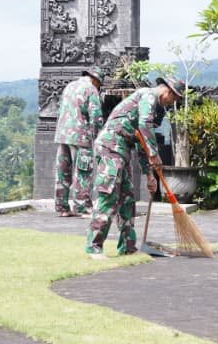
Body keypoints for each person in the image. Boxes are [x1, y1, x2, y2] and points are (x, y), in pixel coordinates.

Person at [85, 76, 184, 258]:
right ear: (167, 91)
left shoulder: (155, 109)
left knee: (128, 198)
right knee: (108, 195)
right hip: (110, 148)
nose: (173, 103)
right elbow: (144, 126)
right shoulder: (148, 96)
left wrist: (149, 176)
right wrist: (155, 153)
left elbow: (141, 144)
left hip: (122, 151)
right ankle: (94, 247)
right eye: (174, 98)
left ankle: (128, 247)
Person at [53, 67, 105, 217]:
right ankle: (82, 207)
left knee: (63, 172)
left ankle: (62, 207)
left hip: (63, 135)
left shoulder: (69, 86)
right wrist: (99, 136)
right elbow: (96, 116)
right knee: (83, 172)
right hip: (81, 136)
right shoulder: (91, 89)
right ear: (96, 80)